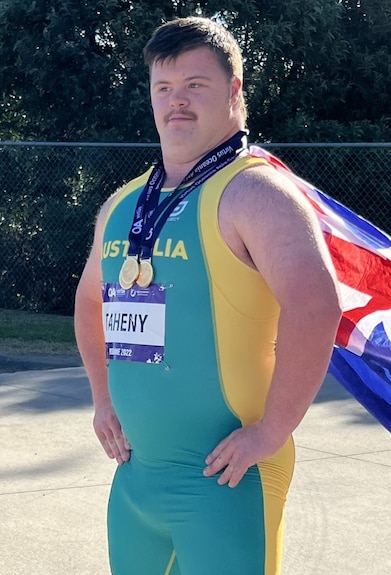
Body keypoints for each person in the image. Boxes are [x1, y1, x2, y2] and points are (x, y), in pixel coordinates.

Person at [73, 16, 342, 575]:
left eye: (196, 85)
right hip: (137, 481)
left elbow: (316, 306)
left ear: (234, 92)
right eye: (164, 89)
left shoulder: (253, 191)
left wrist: (272, 430)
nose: (178, 102)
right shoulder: (123, 204)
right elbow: (90, 302)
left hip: (227, 481)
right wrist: (103, 401)